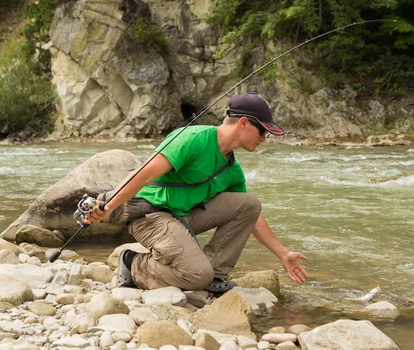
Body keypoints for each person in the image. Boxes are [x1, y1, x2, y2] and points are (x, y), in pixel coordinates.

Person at [85, 93, 307, 293]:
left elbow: (252, 217)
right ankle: (134, 264)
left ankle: (214, 275)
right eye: (262, 131)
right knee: (196, 274)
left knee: (249, 204)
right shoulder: (192, 139)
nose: (264, 139)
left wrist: (283, 253)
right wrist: (110, 206)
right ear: (243, 123)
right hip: (149, 214)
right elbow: (142, 174)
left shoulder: (232, 170)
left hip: (183, 216)